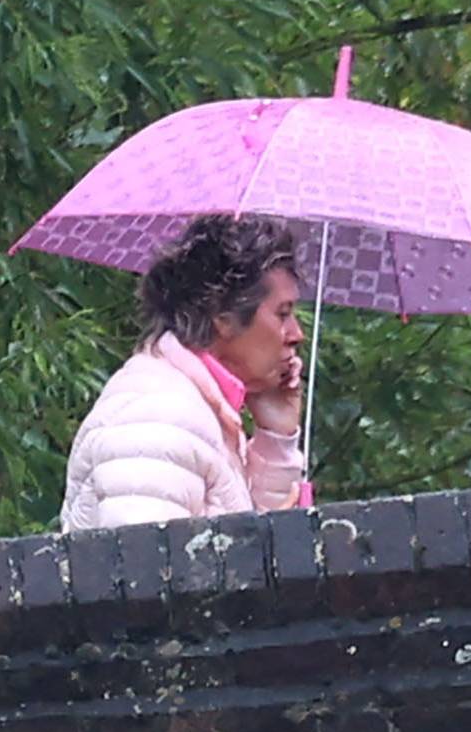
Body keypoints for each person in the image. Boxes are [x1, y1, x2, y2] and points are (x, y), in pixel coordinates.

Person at [59, 214, 306, 530]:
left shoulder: (198, 410)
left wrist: (276, 437)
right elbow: (145, 568)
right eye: (282, 314)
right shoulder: (158, 416)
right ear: (222, 315)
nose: (296, 333)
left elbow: (252, 547)